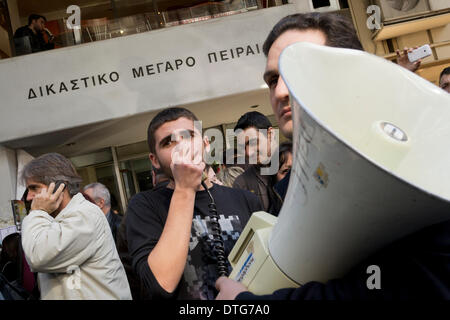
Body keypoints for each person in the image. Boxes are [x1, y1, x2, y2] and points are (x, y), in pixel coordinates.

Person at [215, 12, 450, 300]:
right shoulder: (291, 186)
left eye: (297, 72)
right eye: (273, 79)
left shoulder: (427, 170)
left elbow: (395, 288)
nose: (280, 91)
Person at [126, 107, 262, 300]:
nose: (182, 147)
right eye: (168, 142)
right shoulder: (144, 206)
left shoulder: (246, 200)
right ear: (154, 160)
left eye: (189, 136)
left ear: (206, 144)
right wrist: (184, 189)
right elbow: (161, 285)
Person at [20, 153, 131, 300]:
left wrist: (37, 212)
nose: (28, 197)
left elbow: (39, 256)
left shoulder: (85, 216)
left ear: (59, 187)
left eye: (34, 188)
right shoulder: (58, 219)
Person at [232, 111, 282, 214]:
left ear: (270, 134)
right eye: (243, 147)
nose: (248, 153)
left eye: (253, 142)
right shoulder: (242, 185)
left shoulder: (299, 164)